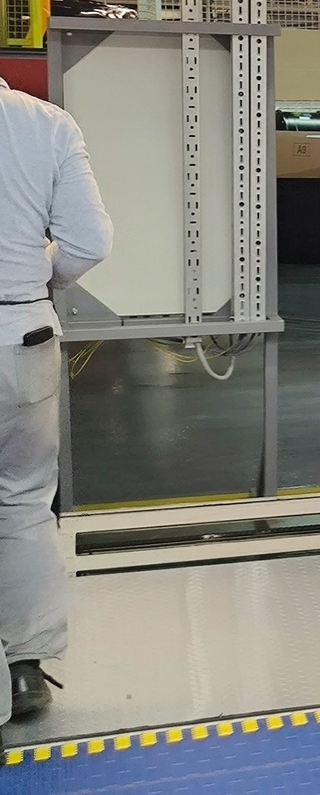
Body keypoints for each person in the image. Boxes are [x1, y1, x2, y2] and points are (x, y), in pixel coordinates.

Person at [0, 74, 109, 736]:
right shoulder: (46, 123)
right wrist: (36, 275)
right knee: (22, 501)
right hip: (25, 335)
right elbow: (89, 242)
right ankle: (25, 669)